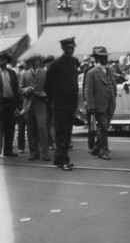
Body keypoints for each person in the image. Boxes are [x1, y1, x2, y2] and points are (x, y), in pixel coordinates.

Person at [44, 37, 80, 171]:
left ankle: (60, 158)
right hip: (60, 104)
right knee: (61, 132)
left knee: (67, 132)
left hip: (70, 103)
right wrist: (55, 97)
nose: (72, 49)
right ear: (63, 48)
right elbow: (47, 85)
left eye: (73, 47)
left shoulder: (74, 62)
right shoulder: (56, 64)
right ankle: (63, 160)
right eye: (69, 47)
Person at [84, 47, 117, 160]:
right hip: (99, 104)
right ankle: (103, 150)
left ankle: (96, 148)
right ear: (97, 58)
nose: (105, 58)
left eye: (106, 56)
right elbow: (88, 91)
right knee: (103, 126)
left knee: (105, 126)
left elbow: (113, 84)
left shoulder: (109, 70)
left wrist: (114, 95)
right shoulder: (92, 73)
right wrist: (91, 106)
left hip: (110, 103)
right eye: (103, 57)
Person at [20, 54, 50, 161]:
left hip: (41, 102)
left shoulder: (45, 72)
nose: (33, 63)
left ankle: (45, 153)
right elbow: (21, 87)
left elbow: (50, 87)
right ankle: (34, 153)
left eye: (35, 61)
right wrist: (26, 89)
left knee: (42, 128)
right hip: (29, 103)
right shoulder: (25, 73)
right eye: (31, 61)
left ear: (39, 62)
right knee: (31, 129)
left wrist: (44, 95)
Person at [0, 51, 22, 157]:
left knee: (10, 127)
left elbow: (16, 89)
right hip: (1, 103)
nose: (2, 61)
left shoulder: (12, 72)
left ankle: (8, 150)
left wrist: (18, 105)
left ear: (7, 61)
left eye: (4, 59)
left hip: (11, 103)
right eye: (0, 59)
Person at [42, 55, 56, 150]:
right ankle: (49, 142)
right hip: (46, 100)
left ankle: (53, 141)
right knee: (47, 122)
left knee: (54, 122)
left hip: (54, 100)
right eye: (48, 62)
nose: (49, 64)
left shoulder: (55, 72)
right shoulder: (44, 73)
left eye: (50, 62)